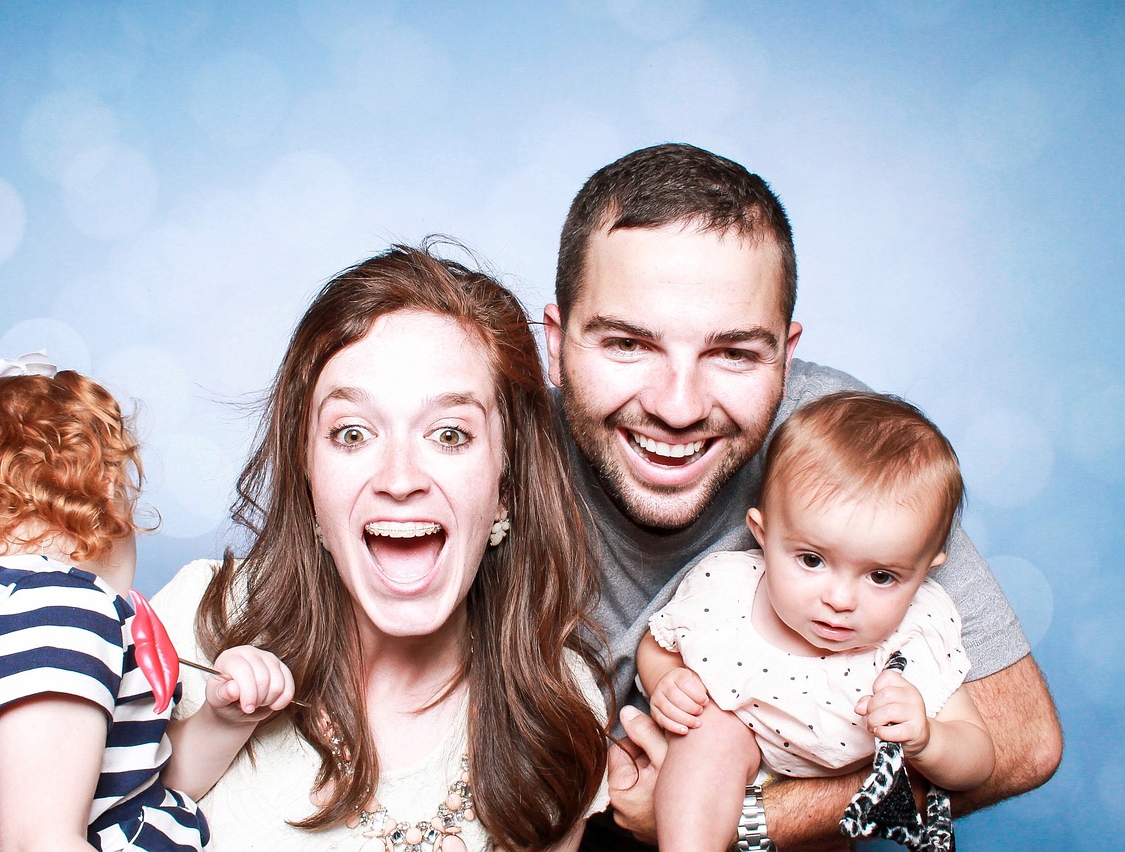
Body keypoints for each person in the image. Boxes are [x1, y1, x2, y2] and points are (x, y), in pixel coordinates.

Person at [540, 143, 1061, 849]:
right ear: (556, 343)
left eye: (734, 353)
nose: (678, 407)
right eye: (628, 344)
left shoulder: (841, 451)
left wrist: (741, 823)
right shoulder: (483, 443)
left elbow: (1022, 740)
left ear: (786, 356)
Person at [150, 244, 609, 850]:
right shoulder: (197, 624)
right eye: (352, 433)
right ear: (308, 475)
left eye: (450, 434)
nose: (399, 479)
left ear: (507, 483)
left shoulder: (558, 702)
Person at [0, 353, 292, 851]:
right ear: (104, 493)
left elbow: (139, 789)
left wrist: (224, 720)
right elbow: (40, 841)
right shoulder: (57, 609)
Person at [637, 392, 995, 851]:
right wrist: (667, 681)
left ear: (925, 571)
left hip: (817, 813)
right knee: (710, 731)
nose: (840, 600)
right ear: (763, 535)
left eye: (881, 577)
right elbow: (659, 643)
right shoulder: (726, 590)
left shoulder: (912, 638)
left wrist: (929, 740)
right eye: (811, 560)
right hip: (727, 760)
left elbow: (978, 761)